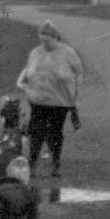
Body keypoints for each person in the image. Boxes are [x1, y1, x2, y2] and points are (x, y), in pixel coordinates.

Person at [16, 20, 83, 178]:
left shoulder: (68, 53)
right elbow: (27, 69)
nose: (44, 42)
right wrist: (22, 82)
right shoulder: (36, 52)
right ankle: (32, 164)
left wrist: (75, 94)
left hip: (59, 102)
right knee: (36, 132)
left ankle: (55, 163)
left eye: (47, 39)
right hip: (37, 100)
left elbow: (79, 72)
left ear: (55, 38)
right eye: (42, 39)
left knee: (55, 132)